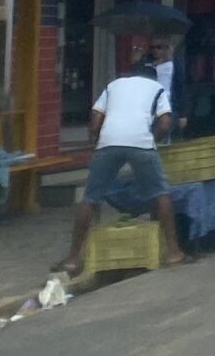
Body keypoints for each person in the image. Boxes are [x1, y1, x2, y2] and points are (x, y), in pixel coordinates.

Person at [54, 61, 187, 275]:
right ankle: (173, 252)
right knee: (161, 194)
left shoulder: (113, 85)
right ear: (152, 77)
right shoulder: (157, 88)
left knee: (90, 197)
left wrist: (98, 141)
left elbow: (96, 119)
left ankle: (72, 259)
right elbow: (164, 123)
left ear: (130, 74)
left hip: (108, 141)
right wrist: (152, 140)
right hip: (141, 143)